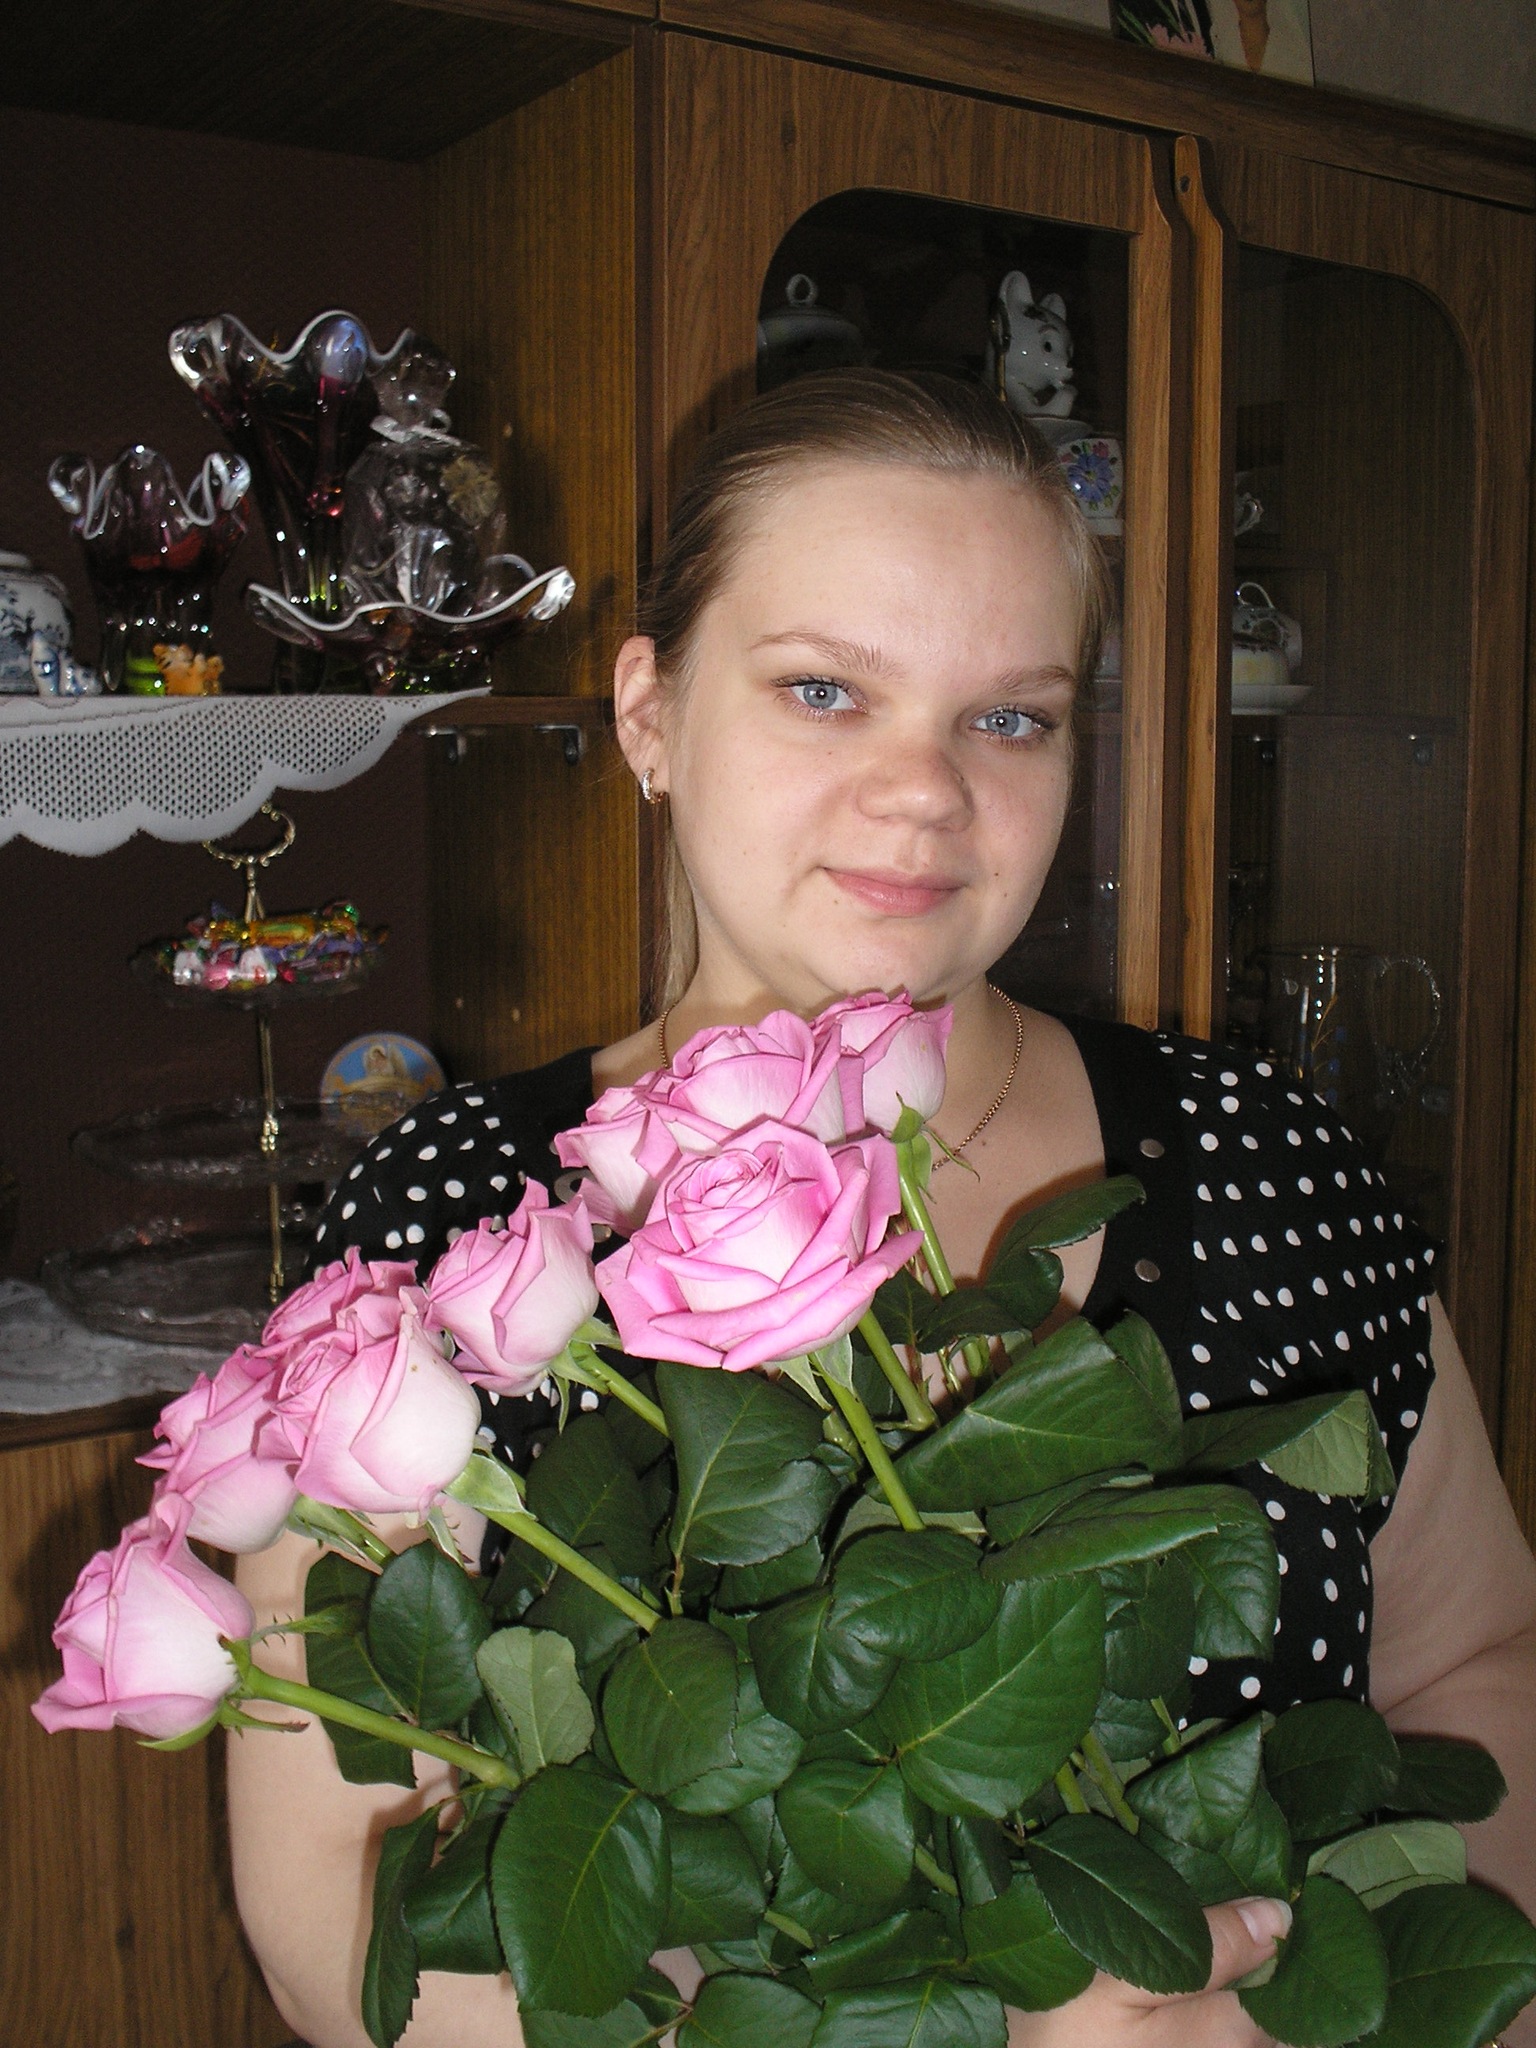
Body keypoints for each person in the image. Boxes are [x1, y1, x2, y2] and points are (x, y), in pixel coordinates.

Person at [230, 370, 1536, 2047]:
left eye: (1010, 719)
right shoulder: (447, 1233)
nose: (925, 790)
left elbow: (1477, 1662)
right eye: (825, 690)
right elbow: (339, 1911)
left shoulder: (1270, 1164)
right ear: (650, 714)